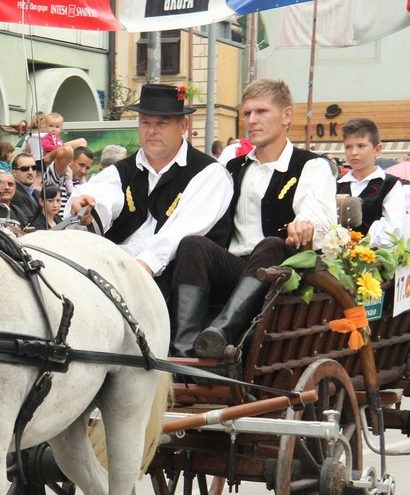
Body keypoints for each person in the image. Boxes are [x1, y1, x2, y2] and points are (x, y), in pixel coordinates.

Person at [171, 79, 336, 358]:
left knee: (270, 244)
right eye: (247, 113)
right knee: (192, 245)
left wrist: (303, 223)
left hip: (281, 275)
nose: (252, 120)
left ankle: (220, 333)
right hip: (237, 269)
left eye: (261, 112)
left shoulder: (310, 166)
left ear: (286, 116)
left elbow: (317, 213)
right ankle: (183, 350)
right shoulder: (231, 167)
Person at [67, 83, 232, 297]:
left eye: (161, 123)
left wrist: (143, 266)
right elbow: (102, 195)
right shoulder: (123, 170)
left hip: (174, 282)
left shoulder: (209, 173)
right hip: (115, 273)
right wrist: (86, 207)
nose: (151, 131)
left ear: (183, 125)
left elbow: (183, 230)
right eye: (145, 123)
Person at [335, 117, 405, 246]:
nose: (354, 152)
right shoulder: (336, 185)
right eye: (348, 147)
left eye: (361, 146)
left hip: (373, 260)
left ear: (377, 149)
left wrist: (356, 243)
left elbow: (392, 232)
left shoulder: (390, 185)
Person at [46, 146, 94, 214]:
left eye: (87, 168)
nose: (84, 171)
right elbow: (67, 150)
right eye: (81, 165)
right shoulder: (59, 177)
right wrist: (49, 156)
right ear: (70, 161)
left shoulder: (84, 184)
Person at [9, 153, 41, 226]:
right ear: (14, 173)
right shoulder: (13, 193)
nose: (30, 172)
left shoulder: (37, 193)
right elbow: (31, 220)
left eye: (34, 168)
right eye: (25, 169)